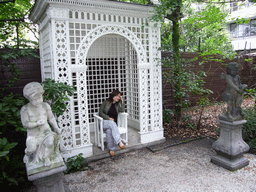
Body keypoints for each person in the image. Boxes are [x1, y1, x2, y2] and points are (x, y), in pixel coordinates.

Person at [21, 82, 62, 166]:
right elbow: (25, 124)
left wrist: (56, 128)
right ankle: (27, 154)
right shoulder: (25, 109)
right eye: (34, 99)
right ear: (29, 99)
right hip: (33, 134)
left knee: (50, 142)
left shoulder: (45, 106)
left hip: (46, 131)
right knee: (31, 148)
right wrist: (36, 123)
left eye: (39, 98)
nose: (38, 101)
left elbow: (51, 118)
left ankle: (46, 157)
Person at [99, 89, 126, 156]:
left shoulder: (117, 104)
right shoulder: (106, 102)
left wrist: (122, 102)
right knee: (111, 123)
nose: (118, 97)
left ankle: (111, 149)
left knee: (109, 131)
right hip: (104, 123)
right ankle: (119, 141)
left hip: (112, 126)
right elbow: (100, 113)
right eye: (116, 96)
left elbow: (122, 110)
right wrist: (108, 118)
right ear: (113, 96)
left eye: (119, 96)